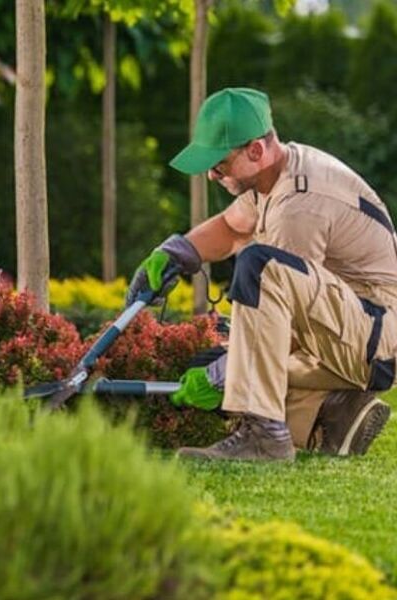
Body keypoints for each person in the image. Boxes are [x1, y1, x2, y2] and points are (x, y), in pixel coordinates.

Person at [127, 87, 396, 461]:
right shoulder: (273, 175)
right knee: (218, 360)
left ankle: (264, 435)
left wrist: (222, 377)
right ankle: (334, 413)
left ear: (256, 150)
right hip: (344, 330)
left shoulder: (299, 207)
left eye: (219, 163)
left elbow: (283, 321)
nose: (210, 174)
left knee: (259, 269)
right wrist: (174, 253)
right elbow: (233, 227)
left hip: (372, 340)